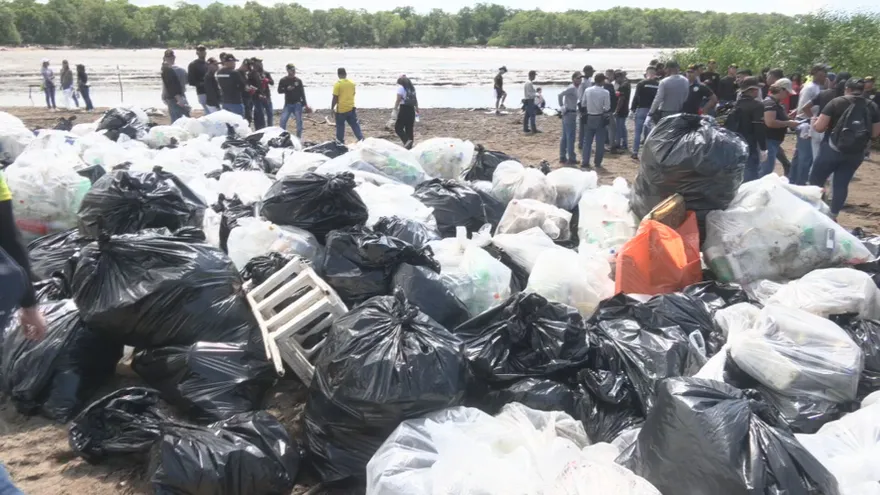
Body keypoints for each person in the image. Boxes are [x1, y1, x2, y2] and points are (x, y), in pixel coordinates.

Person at [810, 78, 880, 220]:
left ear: (846, 88)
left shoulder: (836, 102)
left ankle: (816, 211)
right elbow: (874, 133)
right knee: (841, 184)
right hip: (856, 153)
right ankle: (833, 215)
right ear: (863, 90)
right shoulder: (872, 106)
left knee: (816, 181)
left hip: (831, 149)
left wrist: (814, 122)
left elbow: (820, 127)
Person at [790, 64, 829, 185]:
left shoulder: (817, 87)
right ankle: (800, 183)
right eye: (821, 74)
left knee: (799, 155)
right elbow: (804, 107)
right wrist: (814, 119)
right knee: (806, 157)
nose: (824, 77)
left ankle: (793, 180)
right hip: (806, 123)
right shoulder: (810, 88)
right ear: (815, 74)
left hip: (807, 121)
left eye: (825, 74)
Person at [725, 77, 767, 182]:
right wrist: (763, 147)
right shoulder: (757, 106)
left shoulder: (734, 105)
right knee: (750, 175)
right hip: (749, 144)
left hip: (734, 144)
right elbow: (759, 128)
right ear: (753, 90)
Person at [760, 78, 799, 178]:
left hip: (773, 140)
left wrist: (787, 118)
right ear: (781, 90)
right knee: (766, 170)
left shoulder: (776, 103)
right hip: (769, 139)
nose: (788, 95)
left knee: (767, 168)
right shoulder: (770, 103)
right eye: (787, 92)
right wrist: (788, 123)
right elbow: (770, 122)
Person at [581, 73, 611, 169]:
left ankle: (585, 161)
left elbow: (583, 103)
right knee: (600, 142)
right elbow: (607, 107)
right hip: (599, 116)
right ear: (602, 81)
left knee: (587, 141)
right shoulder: (605, 92)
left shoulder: (588, 90)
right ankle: (597, 162)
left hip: (589, 116)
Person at [630, 66, 659, 159]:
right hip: (652, 111)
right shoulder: (658, 84)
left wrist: (632, 109)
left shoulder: (641, 83)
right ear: (655, 74)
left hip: (641, 109)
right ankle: (646, 154)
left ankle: (635, 152)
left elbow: (636, 97)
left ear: (646, 73)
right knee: (649, 133)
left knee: (638, 132)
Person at [331, 67, 364, 143]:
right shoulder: (352, 83)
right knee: (355, 125)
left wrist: (332, 108)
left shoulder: (338, 84)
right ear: (345, 74)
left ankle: (340, 142)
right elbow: (353, 94)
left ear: (338, 74)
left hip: (341, 110)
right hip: (351, 108)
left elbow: (335, 98)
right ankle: (361, 139)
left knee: (340, 126)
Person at [558, 71, 583, 164]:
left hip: (569, 113)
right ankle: (571, 158)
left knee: (565, 136)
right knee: (570, 137)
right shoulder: (572, 88)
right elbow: (560, 94)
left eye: (580, 78)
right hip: (569, 113)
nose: (579, 80)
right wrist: (561, 106)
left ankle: (562, 156)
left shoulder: (575, 88)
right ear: (573, 79)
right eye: (578, 78)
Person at [278, 64, 310, 139]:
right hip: (288, 104)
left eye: (294, 70)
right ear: (288, 70)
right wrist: (286, 89)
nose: (294, 71)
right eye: (292, 70)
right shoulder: (283, 80)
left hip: (297, 104)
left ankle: (298, 138)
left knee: (299, 122)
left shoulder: (298, 80)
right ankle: (283, 138)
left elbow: (302, 93)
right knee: (282, 121)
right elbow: (279, 91)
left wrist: (305, 104)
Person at [160, 49, 189, 123]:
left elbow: (169, 86)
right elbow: (187, 81)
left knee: (176, 120)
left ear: (164, 58)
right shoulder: (182, 70)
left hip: (172, 98)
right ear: (174, 57)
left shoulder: (166, 70)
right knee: (185, 118)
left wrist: (163, 96)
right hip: (182, 96)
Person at [393, 75, 419, 149]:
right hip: (411, 109)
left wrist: (395, 109)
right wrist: (417, 109)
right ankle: (410, 147)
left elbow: (398, 99)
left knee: (398, 127)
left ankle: (406, 141)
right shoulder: (412, 88)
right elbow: (415, 100)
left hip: (404, 109)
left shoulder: (401, 88)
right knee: (409, 129)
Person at [577, 64, 595, 151]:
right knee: (583, 126)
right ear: (586, 72)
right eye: (591, 71)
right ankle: (581, 143)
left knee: (586, 126)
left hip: (589, 105)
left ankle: (583, 143)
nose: (592, 73)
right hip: (584, 106)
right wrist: (583, 107)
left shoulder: (589, 80)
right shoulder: (583, 82)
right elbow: (580, 96)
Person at [187, 44, 209, 113]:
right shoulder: (193, 65)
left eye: (203, 51)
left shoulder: (207, 63)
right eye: (200, 51)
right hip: (202, 92)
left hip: (211, 91)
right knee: (208, 111)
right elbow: (191, 81)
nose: (202, 52)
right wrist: (203, 84)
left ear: (205, 52)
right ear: (197, 53)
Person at [614, 70, 631, 152]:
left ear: (619, 77)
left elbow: (621, 99)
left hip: (622, 110)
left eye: (616, 79)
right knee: (622, 127)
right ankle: (624, 143)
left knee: (619, 127)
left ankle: (618, 144)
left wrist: (616, 111)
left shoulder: (623, 86)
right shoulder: (627, 84)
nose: (615, 81)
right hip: (625, 108)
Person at [603, 69, 618, 152]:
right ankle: (612, 146)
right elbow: (610, 97)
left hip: (604, 109)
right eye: (613, 75)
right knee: (612, 128)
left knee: (606, 128)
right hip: (609, 110)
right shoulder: (609, 85)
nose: (614, 77)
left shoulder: (604, 84)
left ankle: (606, 144)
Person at [239, 58, 255, 124]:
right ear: (244, 65)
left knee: (249, 116)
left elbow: (245, 83)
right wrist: (246, 88)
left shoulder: (245, 73)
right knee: (245, 117)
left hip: (248, 97)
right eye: (247, 68)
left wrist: (251, 87)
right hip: (242, 98)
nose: (248, 70)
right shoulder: (237, 73)